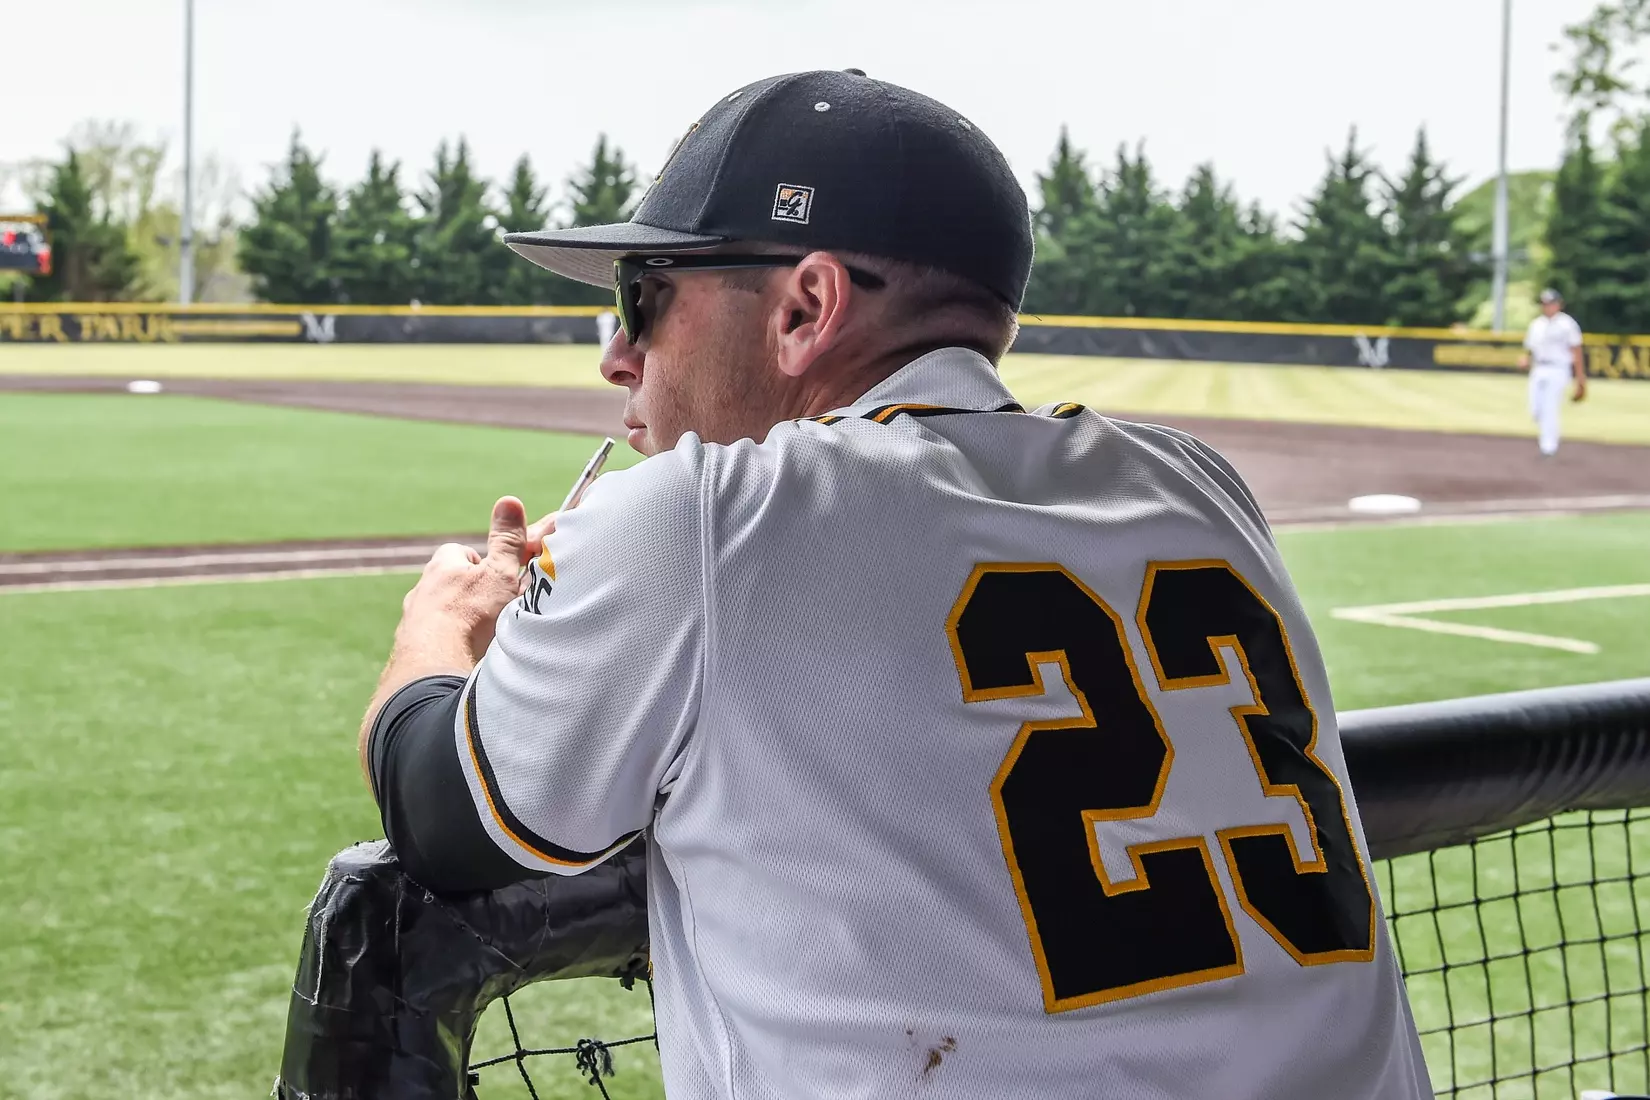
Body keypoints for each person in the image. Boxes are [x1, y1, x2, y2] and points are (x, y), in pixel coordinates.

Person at [360, 70, 1431, 1100]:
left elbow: (443, 815)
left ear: (806, 307)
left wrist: (442, 629)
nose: (617, 356)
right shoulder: (1202, 483)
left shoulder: (705, 517)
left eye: (644, 299)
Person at [1520, 288, 1587, 456]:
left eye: (1550, 303)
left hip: (1558, 368)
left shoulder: (1567, 324)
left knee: (1550, 407)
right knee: (1535, 409)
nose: (1547, 307)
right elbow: (1529, 349)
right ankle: (1547, 439)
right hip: (1539, 368)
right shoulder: (1536, 324)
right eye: (1544, 304)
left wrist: (1580, 379)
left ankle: (1548, 446)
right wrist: (1525, 359)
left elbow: (1576, 351)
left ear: (1559, 304)